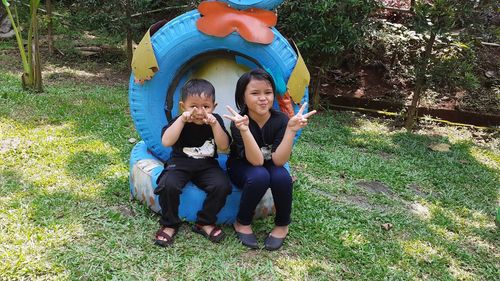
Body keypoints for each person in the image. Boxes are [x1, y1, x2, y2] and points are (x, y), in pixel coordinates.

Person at [223, 68, 316, 250]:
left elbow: (279, 161)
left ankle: (282, 225)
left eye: (268, 92)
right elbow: (256, 162)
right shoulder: (239, 122)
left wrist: (290, 130)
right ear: (243, 97)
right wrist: (244, 130)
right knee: (260, 175)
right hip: (242, 166)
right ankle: (242, 222)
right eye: (255, 93)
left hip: (270, 162)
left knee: (281, 176)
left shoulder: (281, 120)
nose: (263, 98)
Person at [154, 79, 232, 247]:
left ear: (214, 106)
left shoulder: (215, 120)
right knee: (168, 184)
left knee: (222, 185)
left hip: (207, 165)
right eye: (193, 106)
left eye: (206, 106)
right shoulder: (179, 120)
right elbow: (166, 142)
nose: (199, 111)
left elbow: (224, 145)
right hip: (180, 164)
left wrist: (215, 125)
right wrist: (182, 121)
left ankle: (205, 221)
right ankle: (169, 223)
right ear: (183, 106)